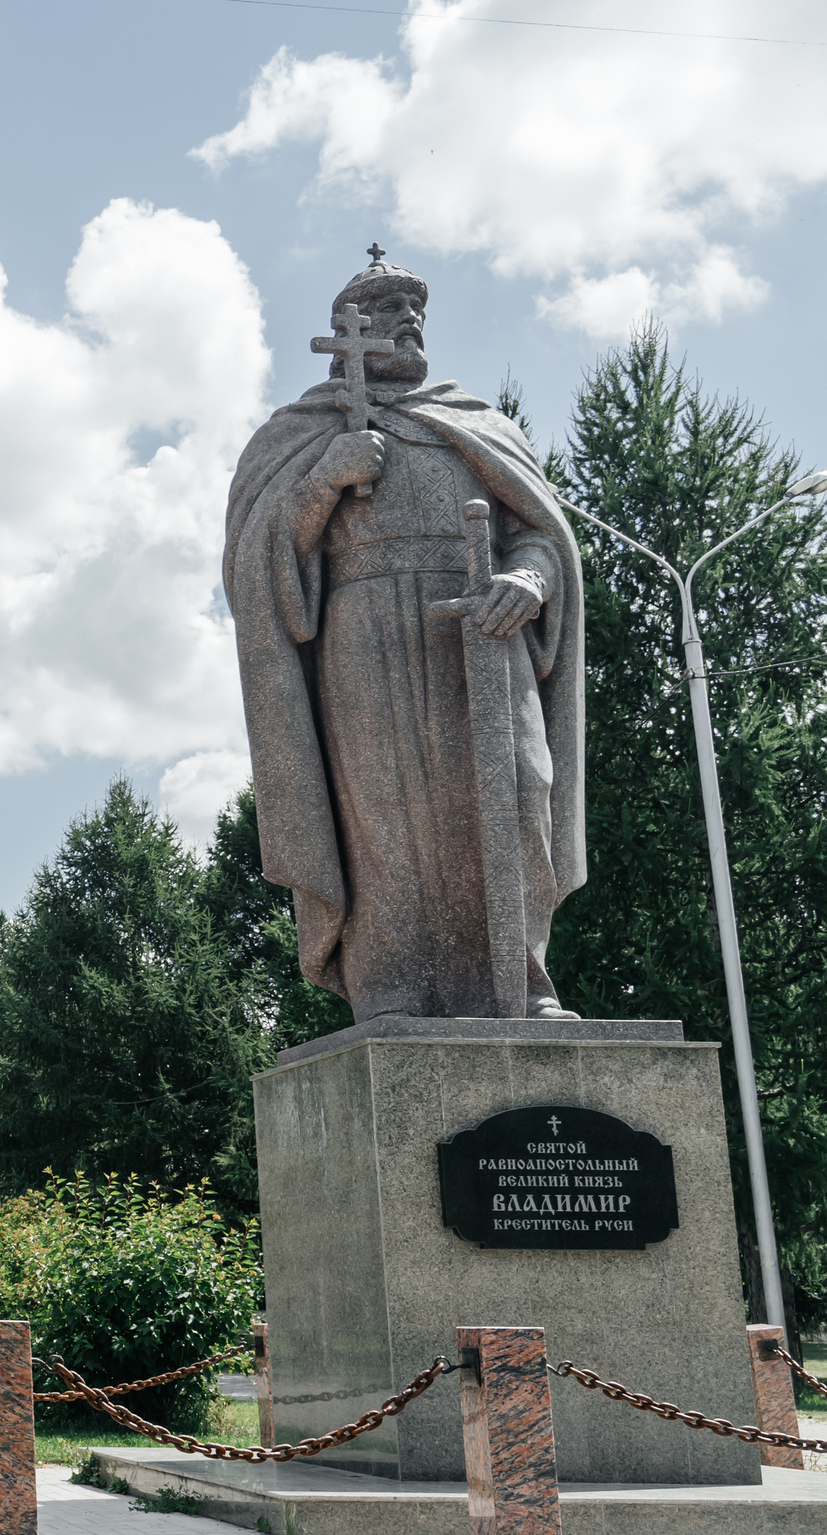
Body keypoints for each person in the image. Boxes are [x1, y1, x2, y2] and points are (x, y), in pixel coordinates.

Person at [224, 251, 585, 1022]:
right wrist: (325, 479)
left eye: (413, 309)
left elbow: (542, 536)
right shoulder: (303, 432)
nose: (408, 320)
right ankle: (391, 988)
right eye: (386, 311)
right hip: (363, 636)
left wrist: (529, 582)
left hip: (484, 635)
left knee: (520, 792)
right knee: (382, 814)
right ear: (346, 333)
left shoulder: (475, 422)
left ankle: (522, 985)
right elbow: (257, 563)